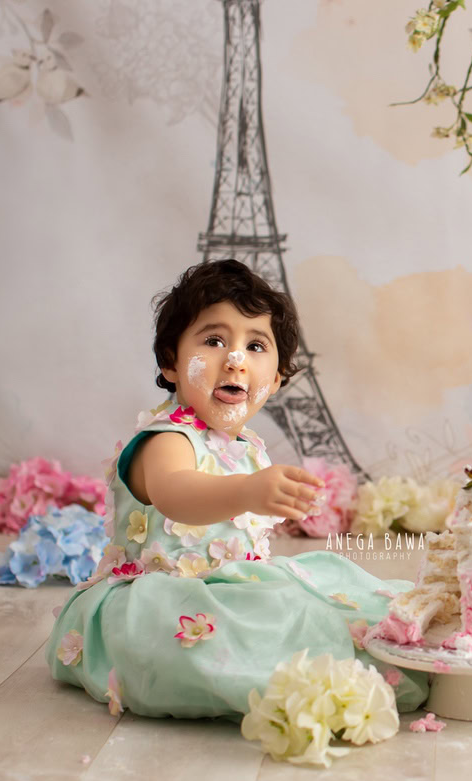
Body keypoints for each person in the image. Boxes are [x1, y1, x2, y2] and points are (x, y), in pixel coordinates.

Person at [45, 260, 428, 719]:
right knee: (249, 631)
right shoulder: (167, 439)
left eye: (256, 345)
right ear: (170, 363)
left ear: (279, 377)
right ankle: (301, 687)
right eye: (213, 341)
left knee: (331, 604)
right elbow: (175, 492)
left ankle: (393, 662)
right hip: (163, 598)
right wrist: (247, 491)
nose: (236, 358)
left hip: (236, 587)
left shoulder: (246, 447)